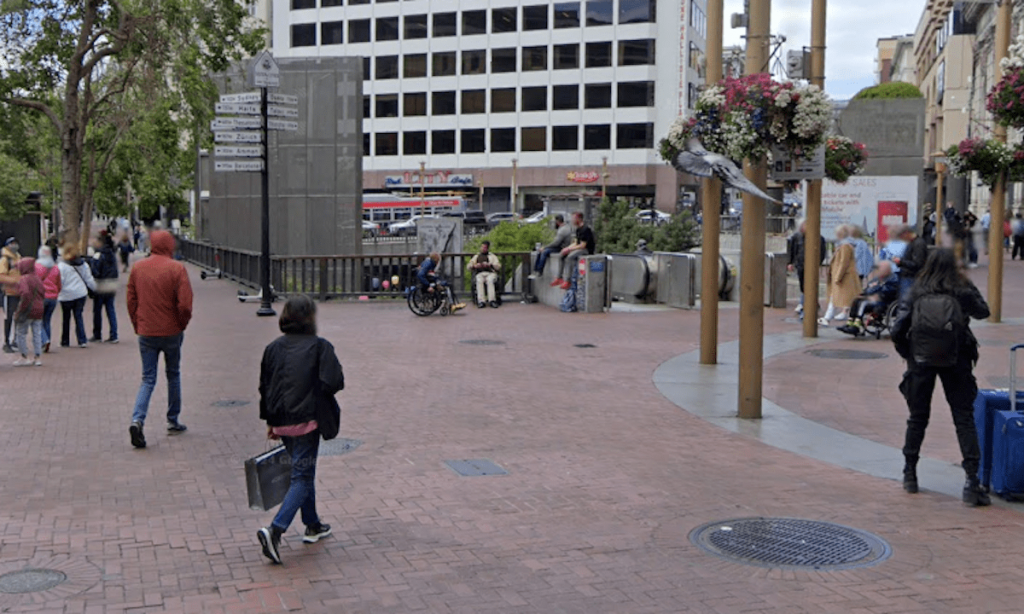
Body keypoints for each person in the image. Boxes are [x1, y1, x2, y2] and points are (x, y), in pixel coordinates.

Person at [890, 249, 991, 506]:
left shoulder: (917, 289)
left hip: (921, 360)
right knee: (963, 418)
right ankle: (971, 482)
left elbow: (898, 327)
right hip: (956, 358)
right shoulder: (960, 288)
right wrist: (966, 286)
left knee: (917, 418)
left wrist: (910, 354)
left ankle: (910, 473)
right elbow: (983, 312)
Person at [256, 295, 344, 564]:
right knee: (302, 477)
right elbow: (334, 381)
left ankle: (313, 524)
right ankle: (276, 530)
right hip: (307, 421)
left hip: (282, 421)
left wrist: (270, 421)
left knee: (303, 471)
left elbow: (265, 387)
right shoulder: (320, 347)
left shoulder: (272, 349)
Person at [126, 230, 193, 449]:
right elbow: (184, 304)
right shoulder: (177, 268)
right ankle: (173, 419)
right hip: (172, 330)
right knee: (173, 374)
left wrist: (138, 324)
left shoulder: (138, 268)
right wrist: (181, 324)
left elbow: (131, 300)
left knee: (148, 378)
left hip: (147, 331)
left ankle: (138, 419)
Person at [837, 260, 899, 336]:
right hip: (874, 298)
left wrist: (877, 288)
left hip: (884, 302)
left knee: (864, 302)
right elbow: (869, 289)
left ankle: (856, 325)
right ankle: (850, 323)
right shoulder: (877, 278)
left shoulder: (893, 279)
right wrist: (866, 293)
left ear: (886, 269)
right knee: (856, 300)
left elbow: (889, 291)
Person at [818, 226, 862, 325]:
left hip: (844, 277)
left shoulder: (845, 246)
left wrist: (838, 276)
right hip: (843, 276)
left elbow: (843, 262)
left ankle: (830, 317)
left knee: (838, 298)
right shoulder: (844, 245)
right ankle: (829, 317)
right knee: (836, 297)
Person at [786, 219, 826, 317]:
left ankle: (806, 305)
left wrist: (818, 263)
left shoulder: (819, 238)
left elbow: (822, 252)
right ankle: (807, 303)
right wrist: (790, 262)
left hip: (811, 266)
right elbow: (792, 250)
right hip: (800, 265)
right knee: (803, 285)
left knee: (810, 285)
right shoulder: (797, 237)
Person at [57, 246, 95, 348]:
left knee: (66, 318)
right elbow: (89, 279)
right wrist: (95, 289)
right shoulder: (83, 264)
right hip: (80, 293)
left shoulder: (61, 266)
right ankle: (82, 340)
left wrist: (58, 292)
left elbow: (59, 281)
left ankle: (65, 340)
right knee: (78, 316)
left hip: (66, 295)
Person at [12, 258, 45, 367]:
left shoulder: (24, 279)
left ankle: (24, 356)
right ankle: (38, 357)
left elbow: (25, 294)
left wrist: (20, 309)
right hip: (39, 309)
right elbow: (43, 292)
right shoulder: (37, 278)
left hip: (27, 310)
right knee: (37, 333)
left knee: (21, 333)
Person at [553, 212, 596, 290]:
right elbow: (576, 242)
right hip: (580, 247)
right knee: (562, 255)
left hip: (586, 250)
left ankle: (568, 280)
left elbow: (583, 245)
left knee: (570, 257)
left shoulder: (586, 229)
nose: (572, 220)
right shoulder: (578, 229)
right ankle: (559, 277)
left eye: (573, 218)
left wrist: (570, 249)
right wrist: (567, 249)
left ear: (579, 219)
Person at [90, 232, 119, 343]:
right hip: (111, 283)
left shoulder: (98, 255)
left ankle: (97, 334)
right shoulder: (111, 253)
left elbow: (95, 271)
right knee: (110, 309)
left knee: (97, 310)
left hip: (101, 284)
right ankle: (114, 334)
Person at [892, 225, 929, 299]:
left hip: (911, 277)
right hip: (908, 276)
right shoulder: (913, 243)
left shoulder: (918, 244)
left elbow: (918, 264)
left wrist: (901, 262)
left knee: (906, 300)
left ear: (906, 233)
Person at [36, 247, 60, 354]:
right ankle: (47, 340)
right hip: (52, 298)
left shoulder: (36, 267)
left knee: (38, 321)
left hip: (41, 297)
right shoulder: (55, 268)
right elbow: (59, 284)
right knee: (47, 320)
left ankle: (44, 340)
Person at [0, 237, 22, 353]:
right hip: (9, 293)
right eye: (12, 243)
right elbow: (1, 276)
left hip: (19, 293)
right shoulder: (5, 260)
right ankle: (6, 342)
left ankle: (16, 340)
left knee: (18, 317)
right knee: (8, 318)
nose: (14, 245)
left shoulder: (18, 257)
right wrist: (15, 281)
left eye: (15, 243)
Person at [469, 241, 502, 308]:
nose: (483, 249)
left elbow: (498, 266)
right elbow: (469, 266)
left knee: (490, 280)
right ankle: (481, 301)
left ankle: (492, 300)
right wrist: (475, 266)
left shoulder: (492, 256)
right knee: (479, 280)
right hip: (480, 273)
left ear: (487, 248)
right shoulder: (477, 256)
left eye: (484, 247)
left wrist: (491, 264)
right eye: (482, 247)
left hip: (490, 273)